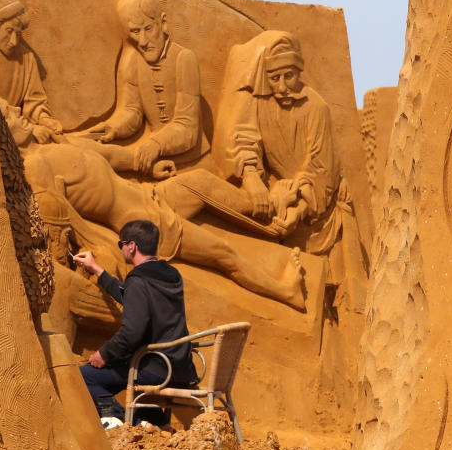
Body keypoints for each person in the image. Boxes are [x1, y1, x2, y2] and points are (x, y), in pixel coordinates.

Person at [25, 142, 306, 309]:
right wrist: (102, 249)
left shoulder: (56, 147)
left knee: (201, 180)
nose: (17, 112)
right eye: (9, 113)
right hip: (143, 220)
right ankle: (287, 293)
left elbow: (110, 156)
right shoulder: (35, 167)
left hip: (152, 192)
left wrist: (143, 164)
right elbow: (62, 218)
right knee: (223, 252)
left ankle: (271, 212)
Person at [160, 31, 345, 252]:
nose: (282, 86)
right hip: (275, 199)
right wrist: (252, 178)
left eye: (289, 76)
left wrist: (297, 210)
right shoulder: (259, 102)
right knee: (199, 185)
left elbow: (321, 170)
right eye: (274, 78)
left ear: (299, 72)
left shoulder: (315, 107)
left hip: (312, 211)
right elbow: (245, 140)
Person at [73, 219, 197, 426]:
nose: (121, 249)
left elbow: (132, 332)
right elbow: (132, 297)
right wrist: (96, 269)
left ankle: (133, 423)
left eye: (120, 244)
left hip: (156, 367)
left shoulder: (139, 280)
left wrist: (104, 354)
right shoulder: (171, 275)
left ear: (132, 246)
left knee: (85, 377)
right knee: (122, 383)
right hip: (181, 368)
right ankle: (157, 424)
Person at [86, 0, 202, 175]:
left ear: (163, 23)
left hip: (193, 162)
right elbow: (132, 111)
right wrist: (114, 128)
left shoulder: (184, 58)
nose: (143, 41)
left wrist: (156, 144)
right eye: (135, 31)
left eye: (148, 28)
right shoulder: (132, 60)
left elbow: (187, 126)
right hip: (151, 159)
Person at [0, 0, 64, 147]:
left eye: (19, 34)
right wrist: (29, 129)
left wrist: (44, 119)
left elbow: (34, 101)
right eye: (9, 31)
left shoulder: (25, 57)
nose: (14, 41)